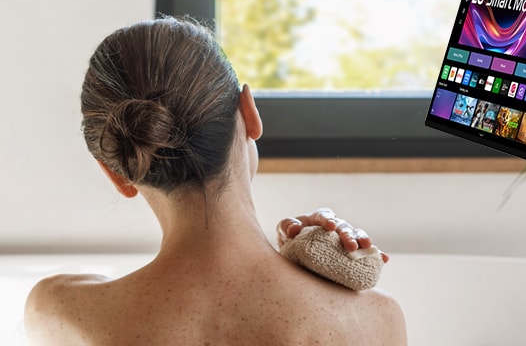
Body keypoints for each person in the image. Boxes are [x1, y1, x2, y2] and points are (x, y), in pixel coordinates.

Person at [24, 18, 407, 346]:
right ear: (250, 114)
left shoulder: (62, 312)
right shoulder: (376, 322)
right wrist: (299, 264)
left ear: (117, 175)